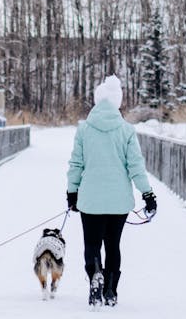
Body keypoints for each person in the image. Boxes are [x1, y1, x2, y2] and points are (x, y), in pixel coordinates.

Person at [66, 75, 156, 306]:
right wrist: (147, 194)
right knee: (113, 245)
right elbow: (136, 166)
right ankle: (110, 290)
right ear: (118, 102)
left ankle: (95, 274)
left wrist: (72, 192)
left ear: (97, 101)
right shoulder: (126, 130)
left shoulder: (84, 129)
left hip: (91, 200)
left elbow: (76, 164)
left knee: (92, 244)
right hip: (118, 202)